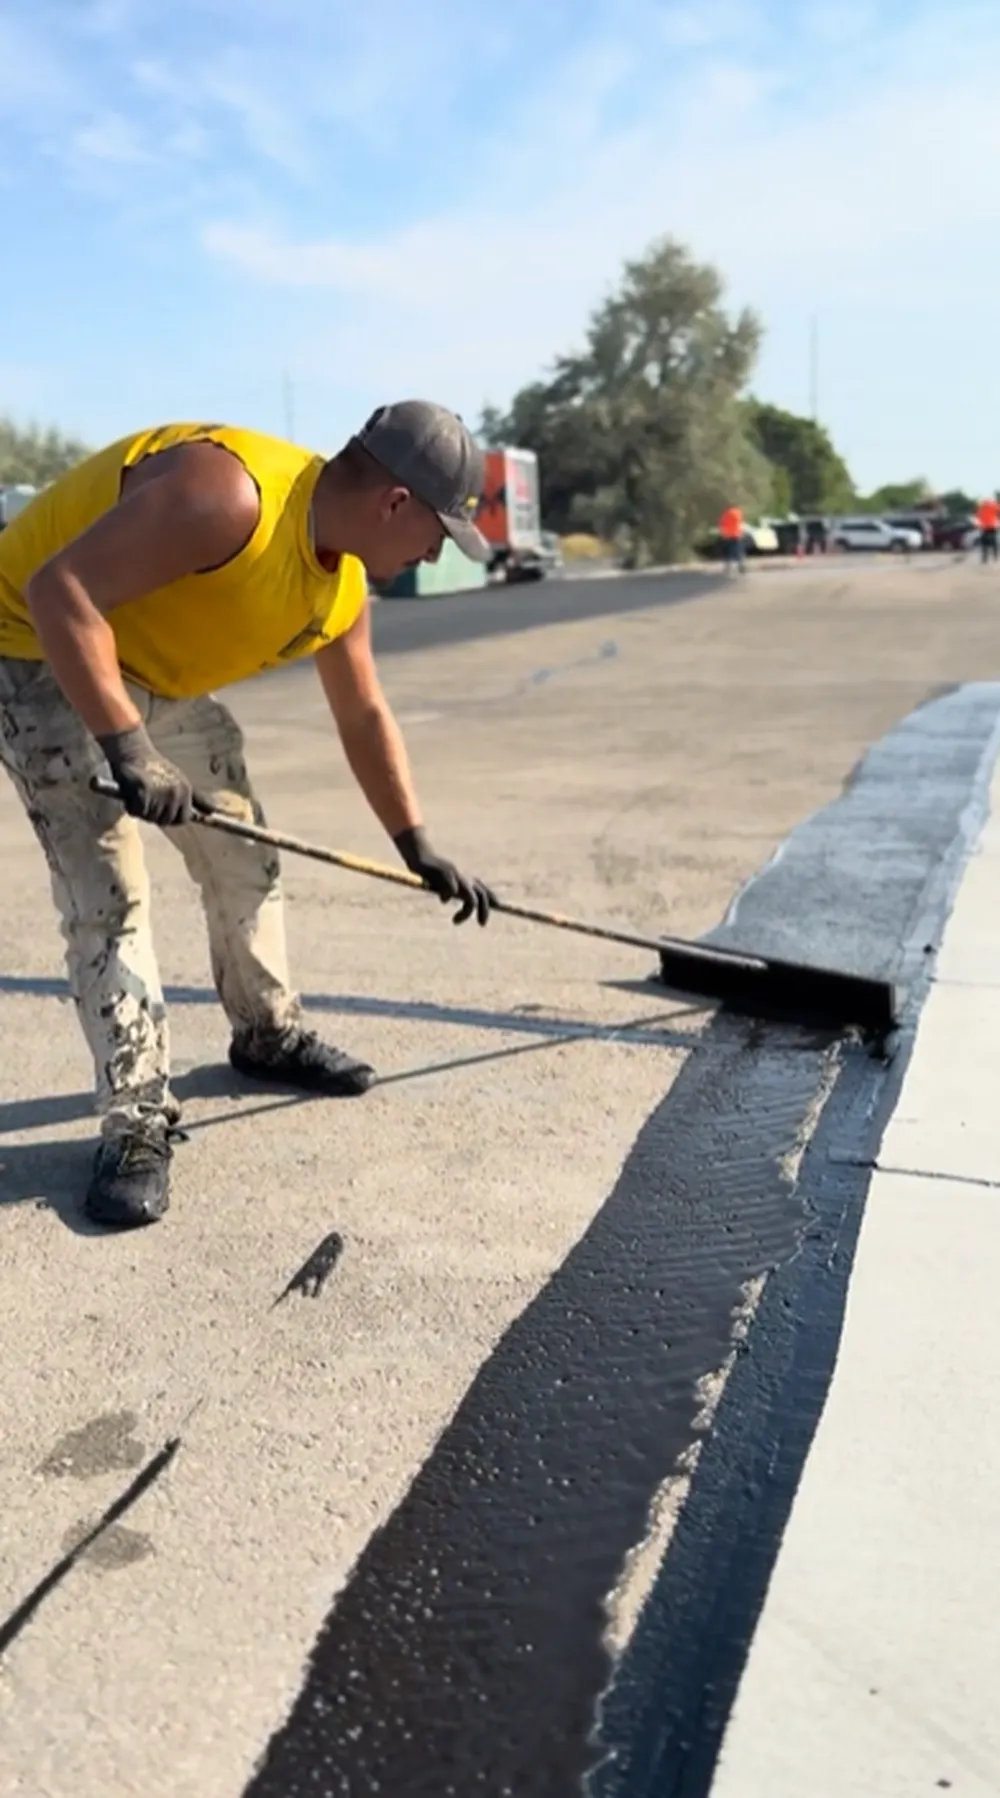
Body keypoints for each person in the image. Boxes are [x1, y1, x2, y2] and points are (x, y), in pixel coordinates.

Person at [0, 402, 496, 1229]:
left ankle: (265, 1034)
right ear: (395, 502)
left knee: (246, 855)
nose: (435, 553)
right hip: (33, 644)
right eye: (439, 533)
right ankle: (137, 1121)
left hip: (146, 663)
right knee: (110, 895)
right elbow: (59, 590)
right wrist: (127, 748)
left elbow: (364, 712)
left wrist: (417, 843)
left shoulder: (339, 586)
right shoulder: (230, 497)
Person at [718, 503, 746, 576]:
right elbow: (740, 523)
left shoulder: (726, 514)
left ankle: (728, 568)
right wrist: (741, 533)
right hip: (736, 535)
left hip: (727, 535)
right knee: (738, 551)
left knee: (728, 553)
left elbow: (722, 524)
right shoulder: (738, 513)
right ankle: (741, 567)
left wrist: (722, 533)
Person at [976, 495, 999, 564]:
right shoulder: (993, 506)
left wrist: (979, 525)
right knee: (994, 542)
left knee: (984, 543)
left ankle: (984, 558)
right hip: (992, 526)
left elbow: (978, 517)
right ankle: (995, 556)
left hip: (985, 527)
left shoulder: (981, 508)